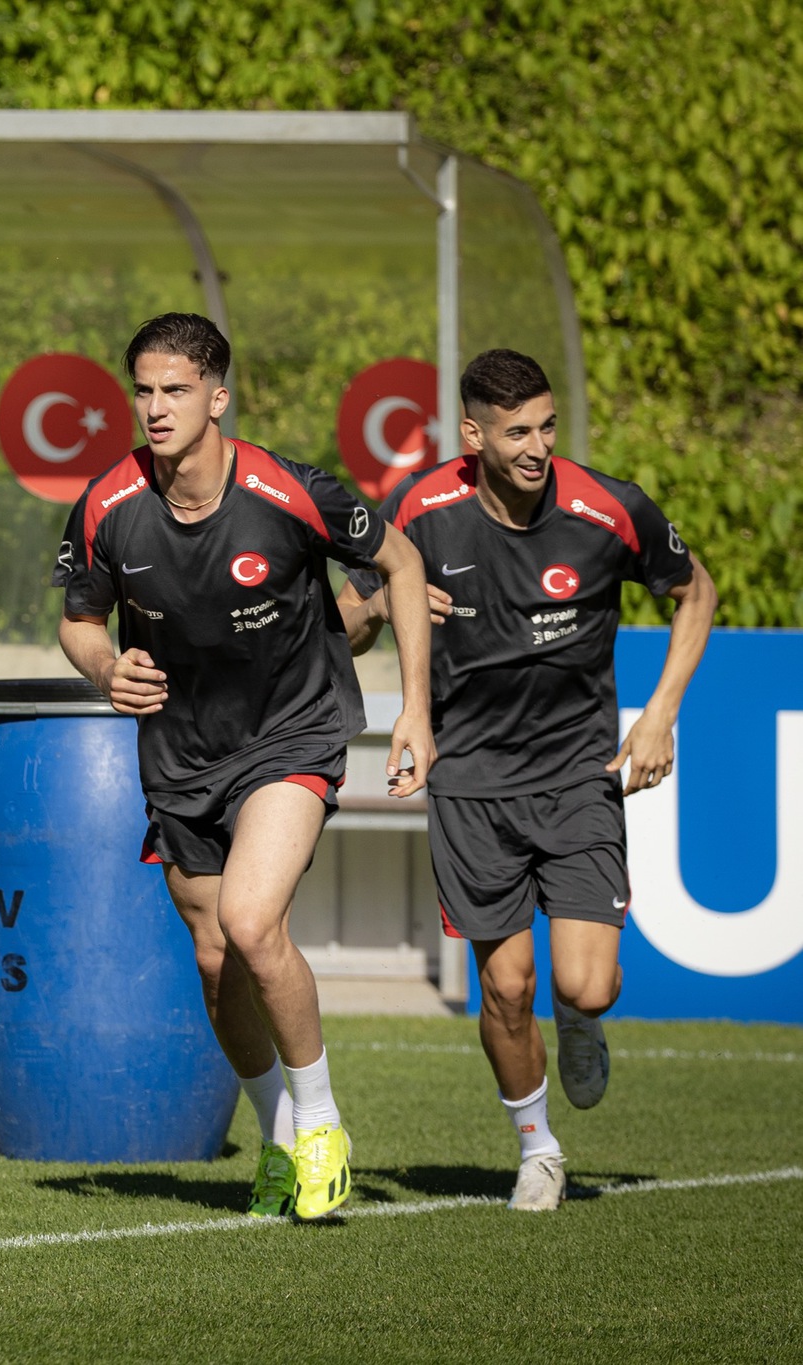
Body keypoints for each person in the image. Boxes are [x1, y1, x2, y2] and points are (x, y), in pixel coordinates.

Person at [54, 312, 435, 1222]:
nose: (155, 407)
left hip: (293, 732)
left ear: (217, 398)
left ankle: (321, 1123)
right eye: (143, 390)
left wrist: (414, 709)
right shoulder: (107, 505)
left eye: (176, 390)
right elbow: (77, 620)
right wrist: (106, 668)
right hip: (181, 755)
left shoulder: (289, 490)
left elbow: (402, 563)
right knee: (216, 955)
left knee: (252, 921)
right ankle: (275, 1133)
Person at [338, 349, 715, 1211]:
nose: (538, 447)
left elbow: (694, 592)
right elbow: (348, 622)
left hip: (577, 773)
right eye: (516, 433)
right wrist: (390, 601)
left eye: (546, 427)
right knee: (506, 988)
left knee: (585, 984)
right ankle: (537, 1149)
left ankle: (581, 1022)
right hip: (468, 782)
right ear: (471, 436)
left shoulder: (607, 507)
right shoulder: (419, 511)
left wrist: (659, 714)